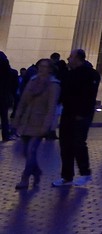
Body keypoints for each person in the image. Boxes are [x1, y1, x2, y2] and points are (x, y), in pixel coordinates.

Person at [53, 48, 100, 187]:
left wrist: (82, 113)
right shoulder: (68, 74)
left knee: (78, 143)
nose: (68, 59)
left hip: (81, 114)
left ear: (78, 58)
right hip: (68, 112)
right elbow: (63, 92)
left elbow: (89, 96)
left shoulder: (89, 74)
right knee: (65, 144)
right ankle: (67, 176)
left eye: (71, 56)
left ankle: (85, 173)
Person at [13, 57, 58, 190]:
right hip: (27, 121)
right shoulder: (33, 81)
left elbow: (51, 107)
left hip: (40, 122)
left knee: (31, 150)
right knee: (25, 152)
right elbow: (23, 101)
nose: (42, 69)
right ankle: (37, 171)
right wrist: (17, 118)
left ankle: (25, 178)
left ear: (50, 69)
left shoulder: (53, 85)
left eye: (45, 67)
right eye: (40, 66)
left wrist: (47, 125)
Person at [0, 52, 16, 142]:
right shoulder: (11, 73)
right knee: (4, 117)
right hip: (4, 96)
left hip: (4, 95)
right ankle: (5, 135)